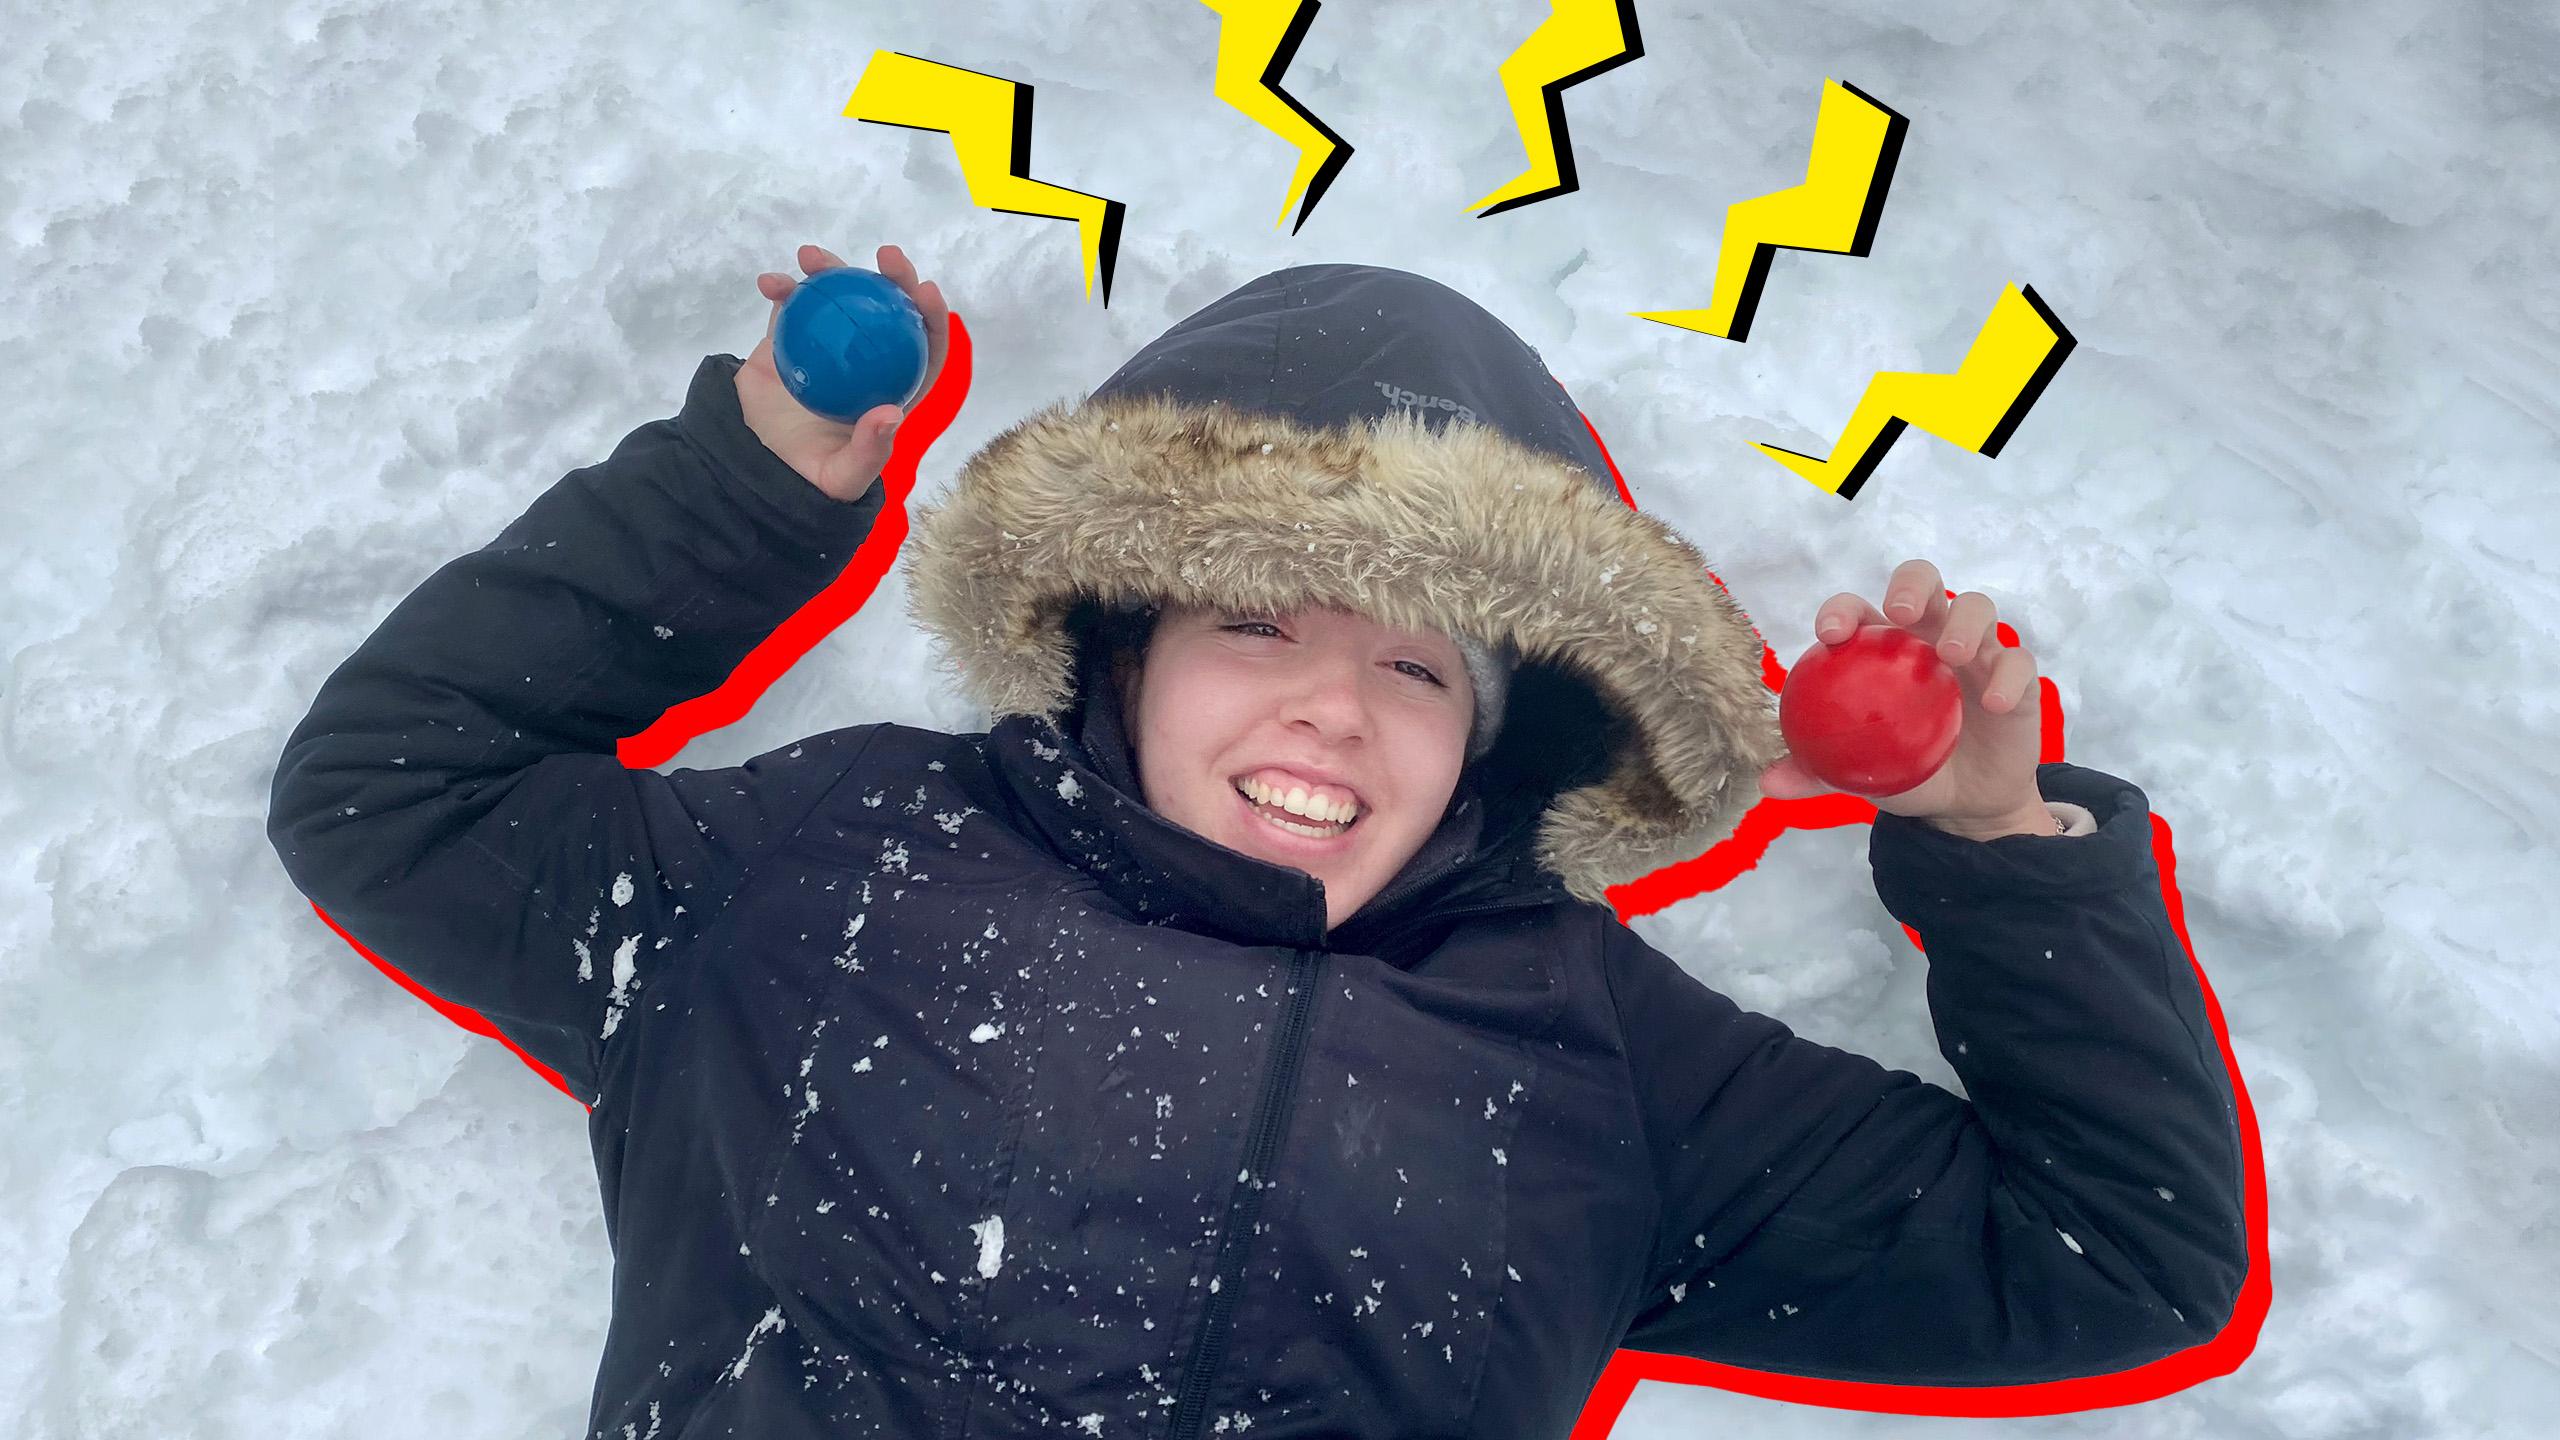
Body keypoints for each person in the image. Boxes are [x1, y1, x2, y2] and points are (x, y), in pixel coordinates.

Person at [267, 243, 2247, 1439]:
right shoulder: (826, 857)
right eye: (1251, 622)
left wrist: (1991, 836)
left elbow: (2110, 1259)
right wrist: (745, 482)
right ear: (1118, 643)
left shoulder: (1607, 1059)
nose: (1329, 705)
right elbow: (396, 790)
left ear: (1492, 736)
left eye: (1414, 663)